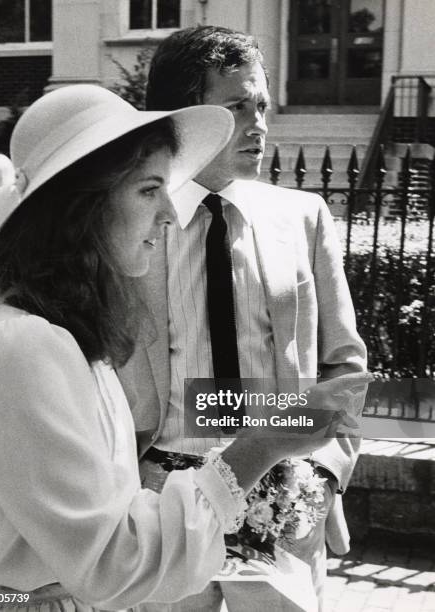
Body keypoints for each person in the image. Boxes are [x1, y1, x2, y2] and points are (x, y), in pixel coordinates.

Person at [0, 84, 353, 612]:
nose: (170, 213)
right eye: (149, 190)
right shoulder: (22, 341)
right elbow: (113, 560)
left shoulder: (56, 333)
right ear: (83, 208)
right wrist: (258, 448)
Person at [117, 26, 369, 612]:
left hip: (282, 496)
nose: (258, 125)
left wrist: (326, 472)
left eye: (262, 106)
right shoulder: (130, 228)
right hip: (164, 502)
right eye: (236, 107)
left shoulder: (303, 216)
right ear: (187, 118)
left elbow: (344, 363)